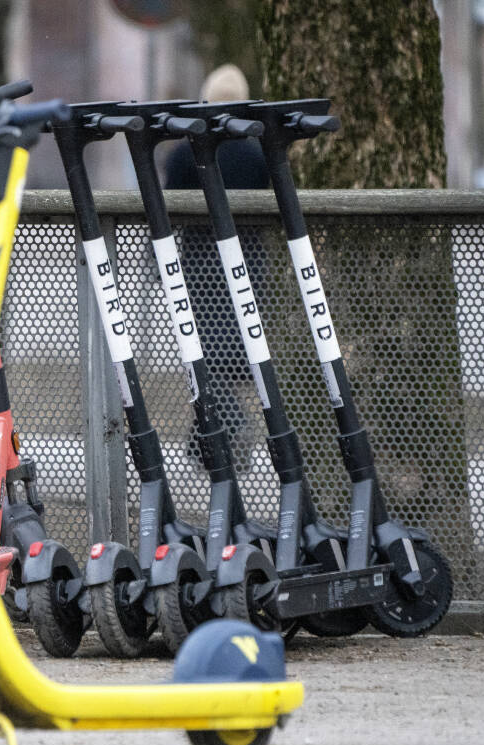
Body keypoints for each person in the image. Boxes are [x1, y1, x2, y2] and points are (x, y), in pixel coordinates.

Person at [162, 64, 268, 473]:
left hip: (201, 266)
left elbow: (167, 205)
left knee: (204, 357)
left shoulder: (186, 152)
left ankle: (229, 431)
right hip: (248, 264)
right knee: (227, 357)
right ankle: (204, 446)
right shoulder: (255, 151)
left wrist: (159, 264)